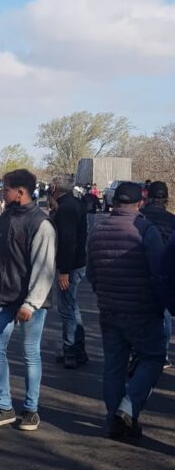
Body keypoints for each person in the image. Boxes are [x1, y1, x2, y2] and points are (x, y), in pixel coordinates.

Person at [0, 168, 56, 432]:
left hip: (30, 303)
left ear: (20, 192)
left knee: (30, 353)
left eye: (6, 189)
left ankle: (31, 410)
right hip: (3, 297)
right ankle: (4, 407)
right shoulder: (5, 217)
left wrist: (30, 304)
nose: (2, 192)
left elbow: (44, 268)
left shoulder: (41, 224)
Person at [86, 182, 166, 439]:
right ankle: (128, 407)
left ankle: (114, 422)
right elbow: (159, 273)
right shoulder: (146, 231)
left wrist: (103, 294)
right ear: (140, 202)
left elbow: (91, 273)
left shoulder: (97, 231)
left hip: (109, 309)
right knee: (153, 358)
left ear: (114, 202)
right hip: (143, 311)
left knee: (114, 367)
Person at [50, 176, 88, 368]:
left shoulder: (65, 209)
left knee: (67, 309)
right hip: (78, 262)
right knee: (72, 307)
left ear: (55, 188)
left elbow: (67, 240)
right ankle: (78, 348)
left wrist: (63, 270)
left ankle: (70, 349)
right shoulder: (75, 204)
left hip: (70, 266)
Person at [140, 181, 175, 367]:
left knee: (142, 315)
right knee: (165, 315)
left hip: (141, 273)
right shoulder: (172, 220)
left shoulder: (140, 217)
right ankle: (163, 353)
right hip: (166, 275)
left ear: (148, 196)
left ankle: (140, 352)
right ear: (166, 198)